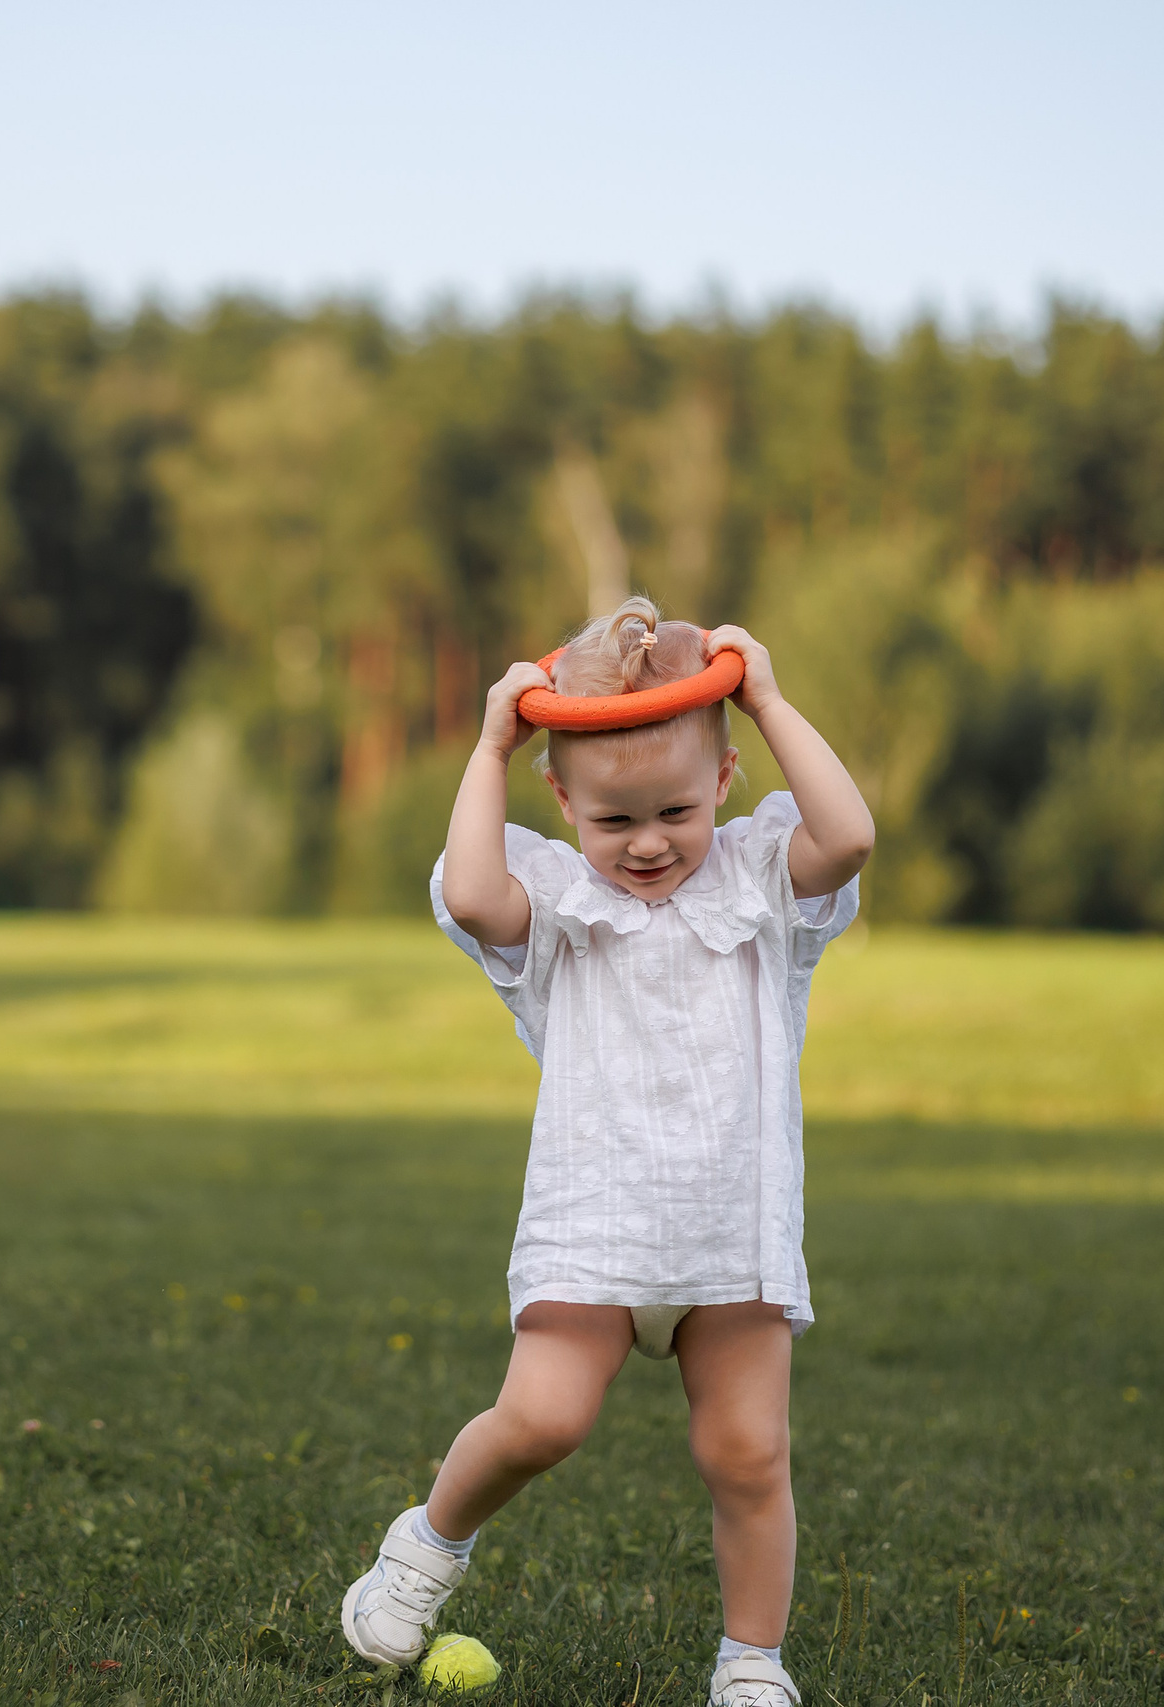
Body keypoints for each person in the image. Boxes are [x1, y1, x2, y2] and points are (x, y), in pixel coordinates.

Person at [340, 598, 875, 1707]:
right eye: (612, 818)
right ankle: (425, 1547)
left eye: (675, 809)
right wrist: (492, 743)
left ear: (724, 779)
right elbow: (473, 889)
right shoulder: (558, 902)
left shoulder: (761, 883)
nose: (645, 842)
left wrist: (764, 696)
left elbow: (851, 836)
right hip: (597, 1221)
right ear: (562, 801)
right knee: (541, 1420)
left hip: (734, 1232)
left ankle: (750, 1661)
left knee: (747, 1457)